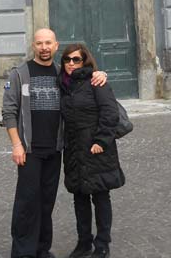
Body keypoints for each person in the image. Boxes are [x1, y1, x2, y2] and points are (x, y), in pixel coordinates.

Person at [2, 29, 107, 258]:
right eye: (39, 43)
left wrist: (101, 74)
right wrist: (16, 145)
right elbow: (8, 112)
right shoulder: (19, 74)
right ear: (33, 45)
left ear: (56, 45)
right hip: (29, 150)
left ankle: (41, 249)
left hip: (55, 149)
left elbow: (85, 86)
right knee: (27, 202)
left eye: (48, 43)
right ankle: (22, 252)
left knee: (46, 201)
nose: (44, 47)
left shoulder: (63, 74)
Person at [59, 43, 125, 258]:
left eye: (76, 59)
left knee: (100, 196)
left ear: (85, 61)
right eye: (67, 59)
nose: (71, 63)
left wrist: (102, 141)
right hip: (74, 150)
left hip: (96, 149)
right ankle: (84, 242)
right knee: (79, 197)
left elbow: (110, 113)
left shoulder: (97, 82)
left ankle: (103, 244)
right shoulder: (62, 85)